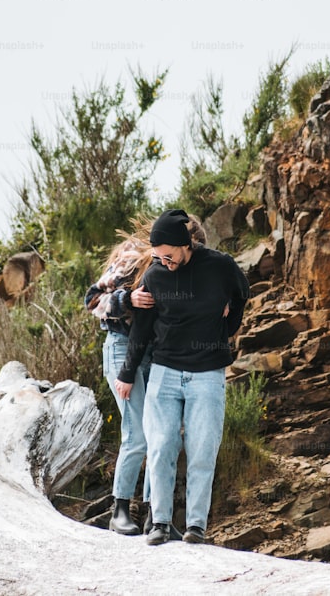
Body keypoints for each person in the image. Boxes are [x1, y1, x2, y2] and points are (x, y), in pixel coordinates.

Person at [116, 208, 250, 546]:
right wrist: (128, 372)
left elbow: (241, 294)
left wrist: (226, 326)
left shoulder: (220, 265)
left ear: (185, 244)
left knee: (202, 449)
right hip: (164, 372)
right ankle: (159, 522)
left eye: (169, 255)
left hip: (207, 374)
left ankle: (196, 526)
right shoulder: (156, 275)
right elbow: (142, 328)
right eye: (158, 256)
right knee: (161, 447)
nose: (163, 261)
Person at [85, 236, 155, 535]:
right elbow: (92, 301)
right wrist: (128, 299)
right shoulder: (131, 259)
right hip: (120, 347)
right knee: (137, 432)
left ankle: (156, 514)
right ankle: (120, 510)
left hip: (154, 353)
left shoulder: (175, 268)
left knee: (159, 436)